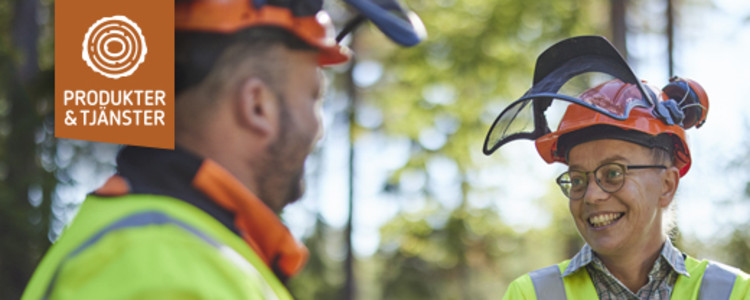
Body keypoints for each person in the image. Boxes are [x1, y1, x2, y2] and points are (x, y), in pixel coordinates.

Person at [22, 0, 424, 299]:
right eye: (313, 96)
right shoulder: (167, 274)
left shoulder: (167, 246)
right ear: (257, 106)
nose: (318, 129)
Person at [483, 36, 750, 299]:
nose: (591, 195)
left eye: (613, 173)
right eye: (577, 180)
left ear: (667, 185)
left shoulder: (733, 293)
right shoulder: (532, 295)